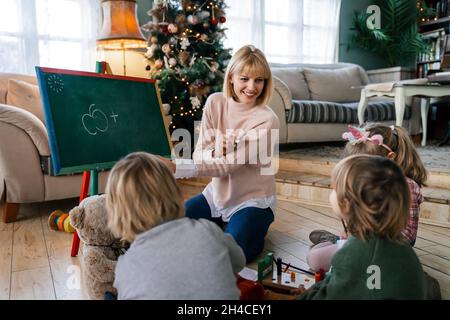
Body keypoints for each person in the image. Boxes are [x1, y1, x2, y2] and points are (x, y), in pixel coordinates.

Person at [160, 45, 280, 263]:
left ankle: (247, 230)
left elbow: (227, 166)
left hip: (252, 201)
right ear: (231, 77)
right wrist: (216, 149)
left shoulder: (267, 120)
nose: (252, 87)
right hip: (216, 196)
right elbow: (200, 155)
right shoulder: (215, 102)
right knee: (167, 228)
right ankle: (221, 226)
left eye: (259, 80)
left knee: (227, 254)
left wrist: (176, 167)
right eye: (244, 78)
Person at [106, 152, 246, 300]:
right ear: (174, 192)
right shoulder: (207, 230)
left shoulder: (125, 268)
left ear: (117, 213)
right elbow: (239, 262)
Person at [298, 155, 427, 300]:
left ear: (346, 204)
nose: (331, 191)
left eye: (334, 187)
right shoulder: (399, 244)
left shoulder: (353, 254)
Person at [307, 123, 427, 272]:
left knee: (316, 257)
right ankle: (336, 241)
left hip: (393, 246)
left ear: (389, 159)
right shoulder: (364, 183)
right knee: (316, 256)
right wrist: (355, 234)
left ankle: (334, 242)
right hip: (364, 241)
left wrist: (369, 240)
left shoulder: (406, 187)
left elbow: (408, 235)